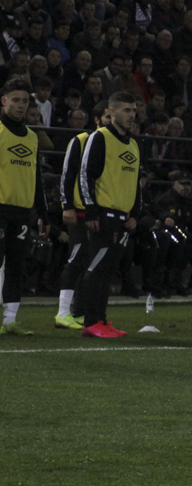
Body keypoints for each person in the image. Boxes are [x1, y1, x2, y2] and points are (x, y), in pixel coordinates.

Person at [77, 91, 142, 338]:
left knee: (107, 271)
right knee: (96, 269)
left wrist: (135, 212)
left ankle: (100, 320)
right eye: (126, 110)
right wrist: (91, 210)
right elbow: (86, 175)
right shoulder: (100, 138)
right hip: (103, 215)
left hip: (124, 218)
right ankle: (90, 321)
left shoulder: (133, 144)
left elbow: (136, 182)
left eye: (133, 110)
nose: (131, 115)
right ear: (112, 112)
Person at [0, 79, 48, 335]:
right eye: (15, 100)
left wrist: (42, 212)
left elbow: (36, 178)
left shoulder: (31, 137)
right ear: (4, 101)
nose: (20, 105)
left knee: (17, 264)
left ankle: (10, 321)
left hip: (21, 210)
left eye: (25, 101)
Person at [54, 101, 106, 329]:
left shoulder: (113, 144)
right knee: (77, 257)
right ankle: (62, 313)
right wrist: (67, 204)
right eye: (106, 117)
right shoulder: (81, 141)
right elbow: (68, 174)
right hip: (79, 209)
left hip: (100, 211)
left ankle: (79, 311)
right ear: (97, 119)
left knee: (92, 262)